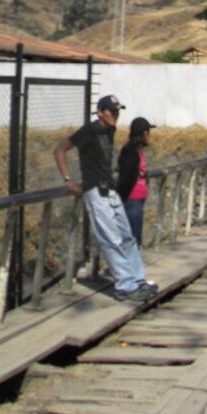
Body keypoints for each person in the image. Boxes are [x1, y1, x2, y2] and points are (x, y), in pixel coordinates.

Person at [53, 95, 156, 303]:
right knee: (111, 239)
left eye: (117, 111)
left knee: (127, 236)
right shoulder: (89, 131)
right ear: (100, 112)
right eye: (111, 111)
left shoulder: (110, 130)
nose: (115, 115)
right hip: (95, 191)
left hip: (110, 190)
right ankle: (125, 286)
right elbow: (60, 150)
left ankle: (137, 280)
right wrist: (68, 179)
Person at [116, 117, 155, 248]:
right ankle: (130, 268)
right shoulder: (130, 152)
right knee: (132, 240)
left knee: (135, 238)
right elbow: (126, 178)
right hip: (132, 201)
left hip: (137, 201)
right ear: (144, 134)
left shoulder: (136, 152)